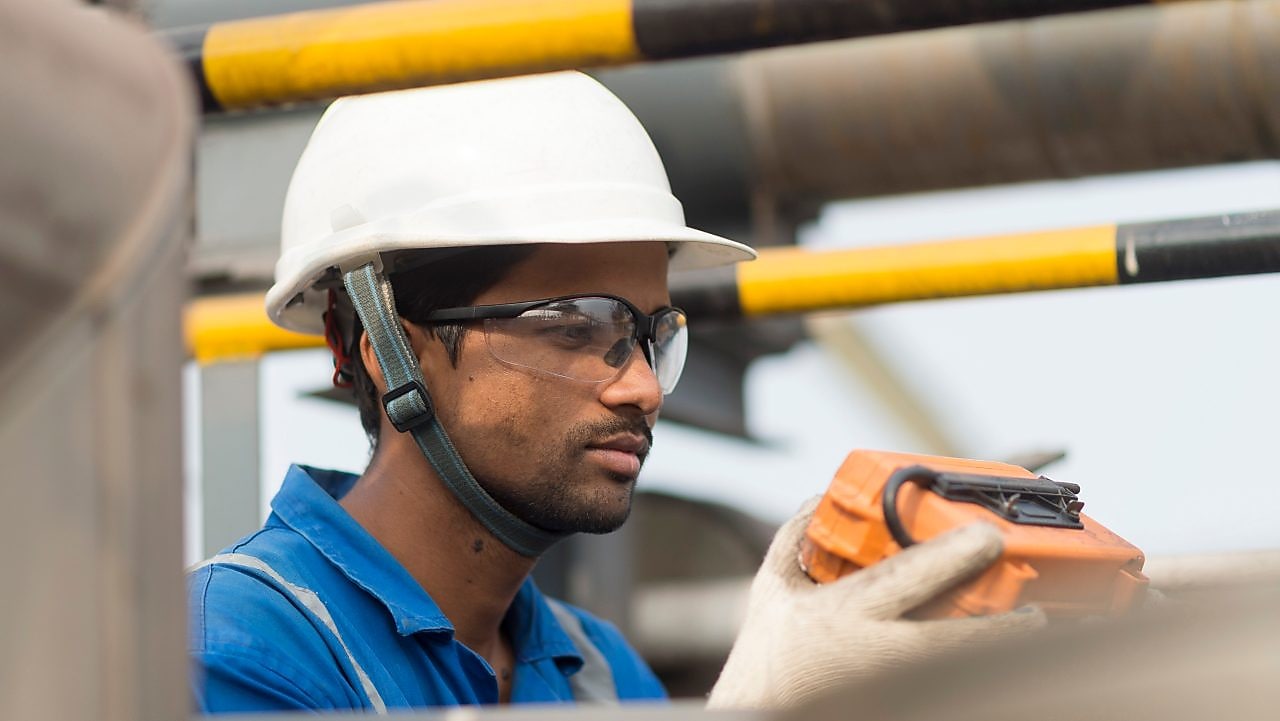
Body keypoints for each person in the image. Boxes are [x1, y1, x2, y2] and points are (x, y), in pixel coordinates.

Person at [188, 71, 1043, 714]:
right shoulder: (236, 648)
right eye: (573, 324)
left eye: (648, 333)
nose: (639, 385)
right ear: (379, 344)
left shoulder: (593, 667)